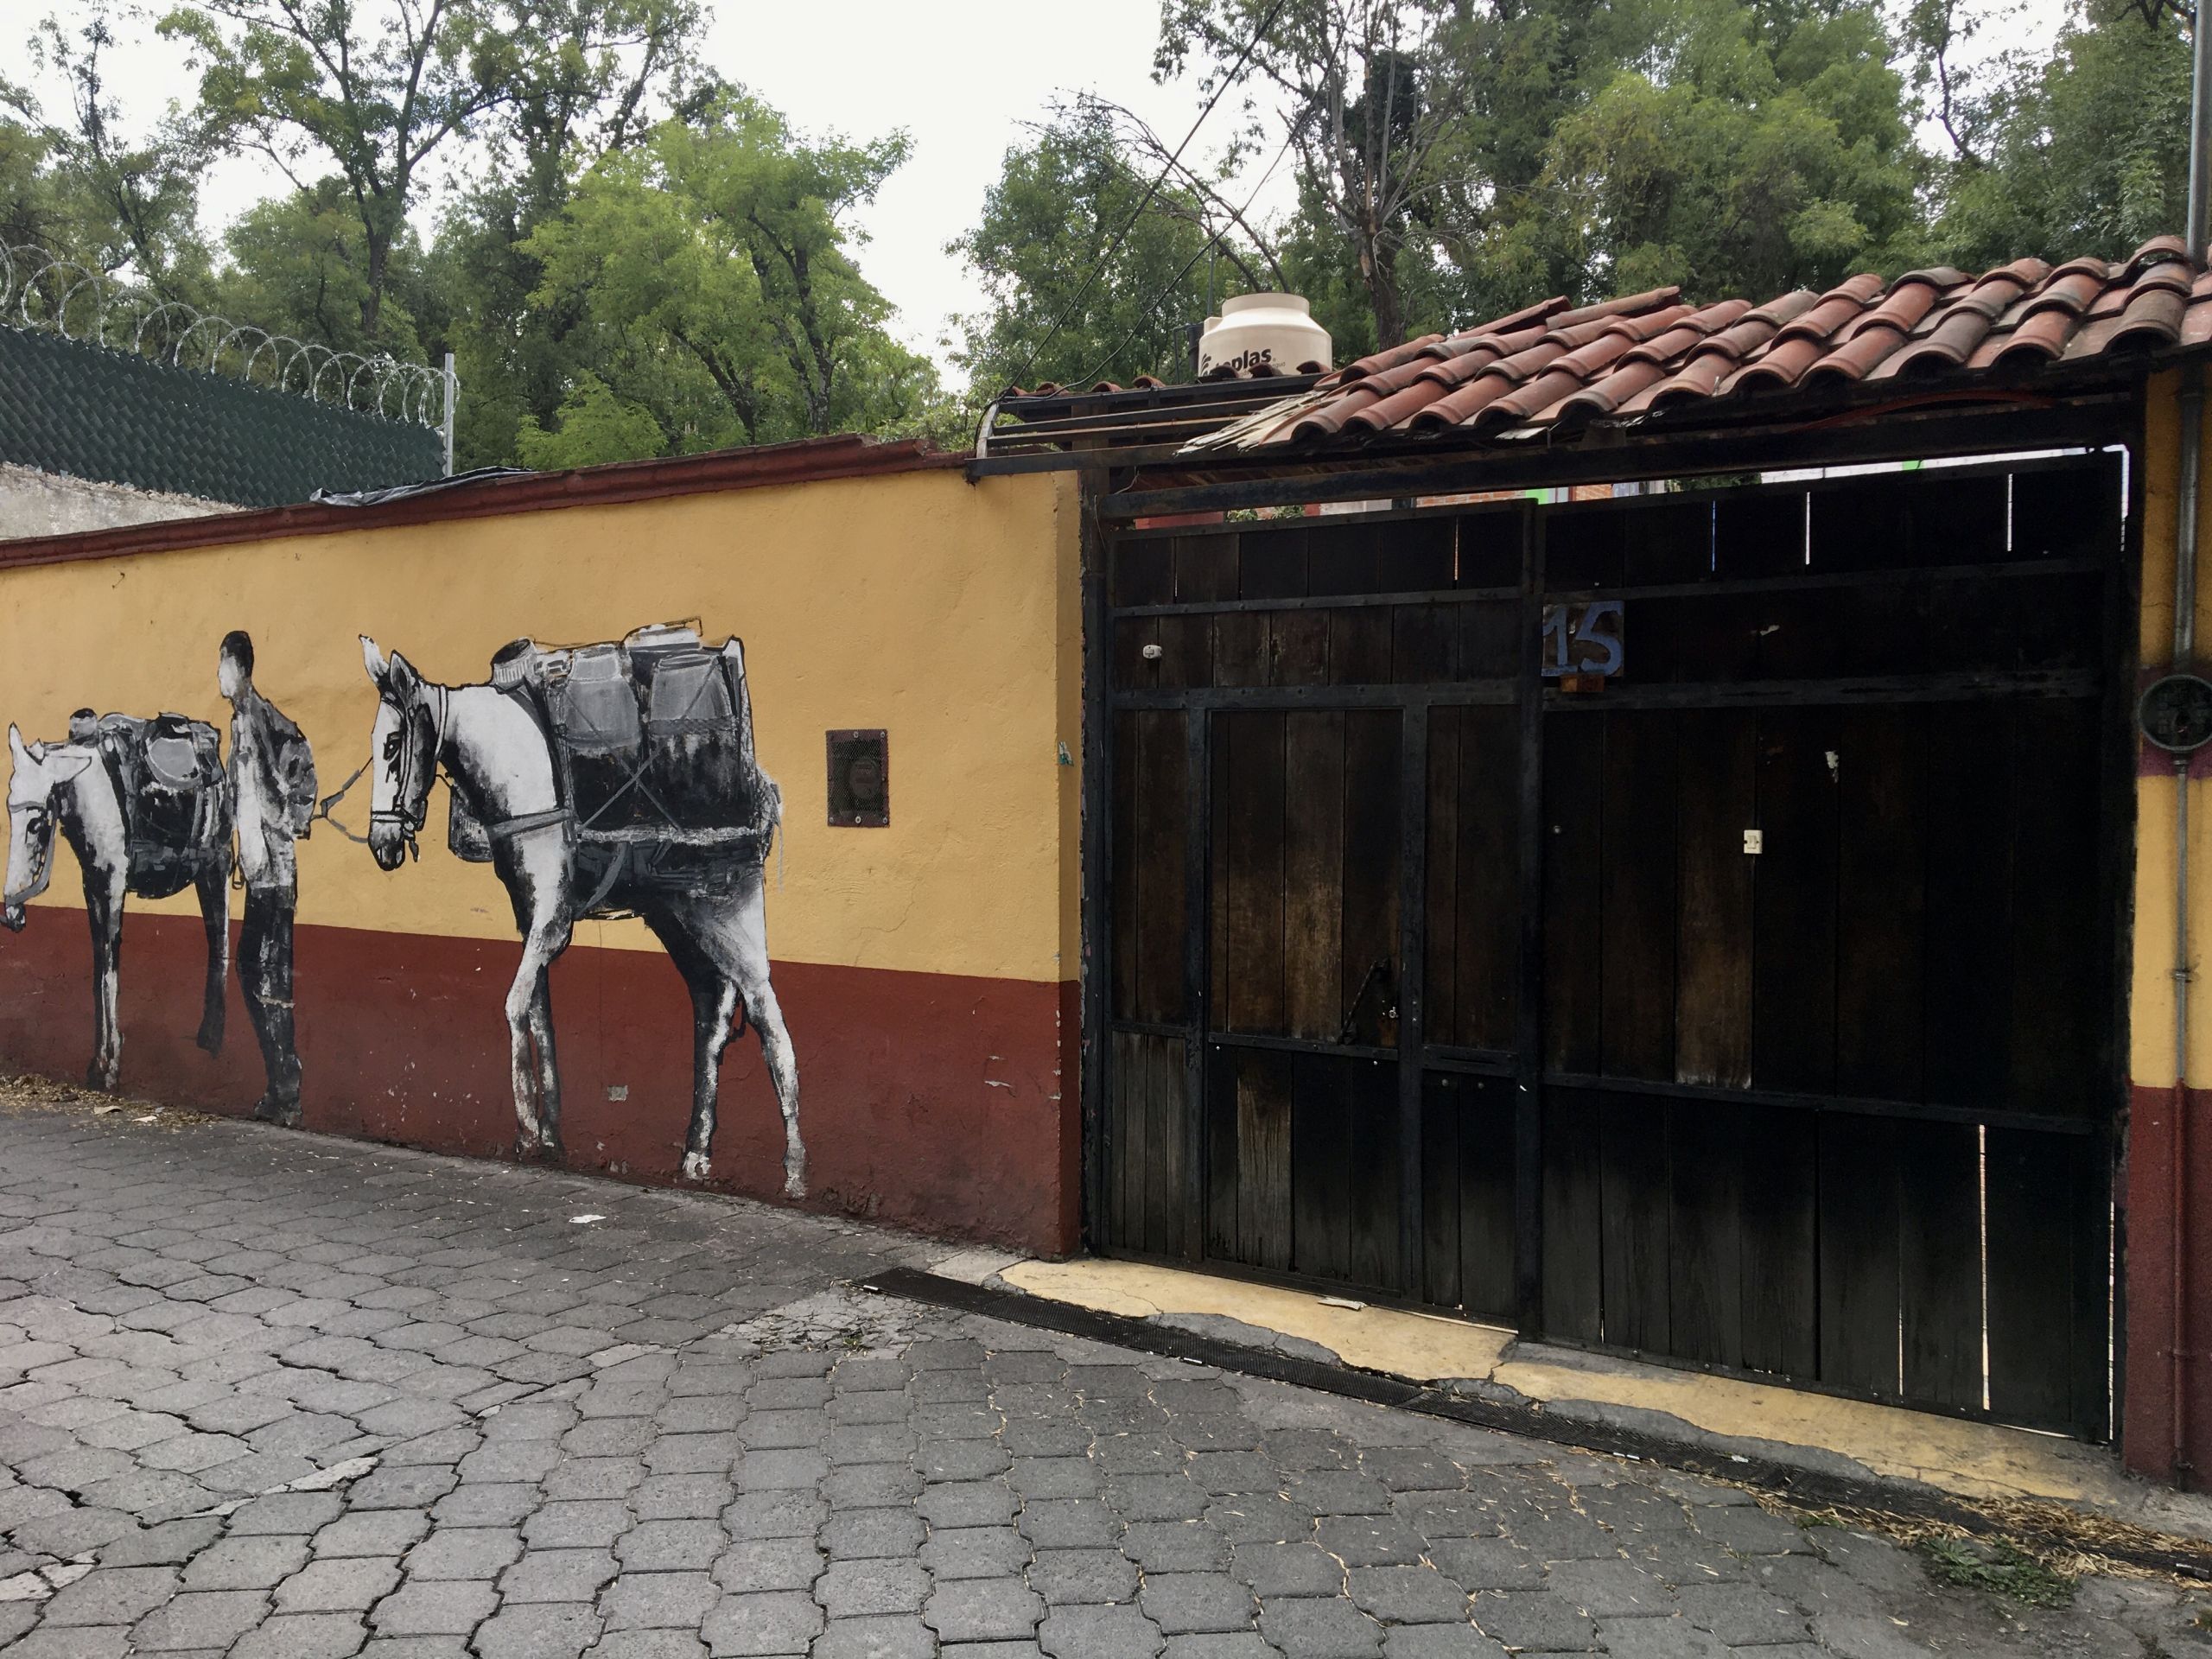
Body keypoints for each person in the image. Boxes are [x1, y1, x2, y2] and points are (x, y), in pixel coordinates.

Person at [219, 630, 315, 1124]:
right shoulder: (239, 723)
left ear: (239, 667)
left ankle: (287, 1093)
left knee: (272, 977)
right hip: (258, 875)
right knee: (249, 969)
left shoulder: (264, 718)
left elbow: (303, 766)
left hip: (277, 876)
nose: (219, 675)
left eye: (222, 664)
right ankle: (280, 1081)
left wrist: (288, 820)